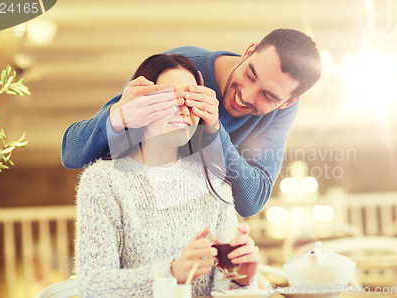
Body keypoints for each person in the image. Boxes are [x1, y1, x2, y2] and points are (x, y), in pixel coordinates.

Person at [63, 28, 322, 217]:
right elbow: (71, 154)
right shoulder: (178, 72)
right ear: (249, 52)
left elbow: (252, 200)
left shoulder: (281, 111)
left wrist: (213, 131)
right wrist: (119, 117)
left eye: (268, 96)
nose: (246, 95)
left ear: (288, 102)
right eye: (250, 74)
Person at [75, 54, 260, 297]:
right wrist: (172, 272)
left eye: (192, 98)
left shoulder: (214, 185)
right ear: (139, 106)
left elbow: (223, 289)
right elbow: (92, 285)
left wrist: (242, 279)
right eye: (170, 98)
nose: (184, 109)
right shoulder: (103, 182)